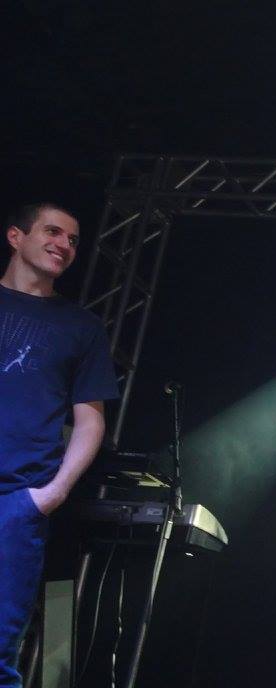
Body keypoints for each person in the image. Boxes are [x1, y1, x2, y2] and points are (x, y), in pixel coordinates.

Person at [1, 203, 118, 687]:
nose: (64, 245)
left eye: (73, 240)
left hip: (16, 501)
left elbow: (90, 421)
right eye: (53, 232)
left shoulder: (81, 327)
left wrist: (53, 493)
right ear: (16, 236)